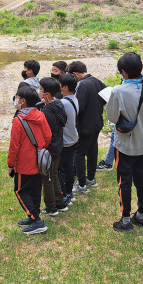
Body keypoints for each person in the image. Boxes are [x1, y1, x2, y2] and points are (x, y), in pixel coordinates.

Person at [106, 52, 143, 232]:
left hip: (124, 145)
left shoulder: (118, 91)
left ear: (123, 72)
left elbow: (112, 117)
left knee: (124, 181)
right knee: (142, 179)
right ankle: (141, 214)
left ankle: (126, 219)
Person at [8, 86, 52, 235]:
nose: (16, 100)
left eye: (17, 98)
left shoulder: (18, 120)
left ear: (23, 101)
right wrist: (39, 149)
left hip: (24, 162)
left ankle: (37, 221)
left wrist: (11, 164)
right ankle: (33, 216)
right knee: (34, 189)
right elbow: (48, 136)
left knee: (20, 190)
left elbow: (14, 145)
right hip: (39, 160)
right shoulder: (40, 115)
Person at [68, 60, 106, 195]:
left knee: (79, 153)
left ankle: (82, 184)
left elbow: (79, 106)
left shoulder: (82, 84)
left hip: (85, 125)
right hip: (97, 122)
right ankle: (91, 178)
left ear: (75, 74)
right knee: (92, 150)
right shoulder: (96, 81)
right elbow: (106, 97)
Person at [39, 77, 68, 216]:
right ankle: (60, 203)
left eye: (40, 90)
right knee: (53, 174)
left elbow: (45, 133)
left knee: (47, 178)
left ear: (47, 94)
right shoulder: (59, 104)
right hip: (58, 146)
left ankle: (51, 207)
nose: (38, 92)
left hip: (49, 148)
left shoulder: (47, 112)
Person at [58, 73, 78, 206]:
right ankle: (69, 192)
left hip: (64, 140)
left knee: (59, 168)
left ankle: (63, 193)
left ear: (65, 87)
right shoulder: (74, 99)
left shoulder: (63, 102)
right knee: (69, 166)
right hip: (73, 137)